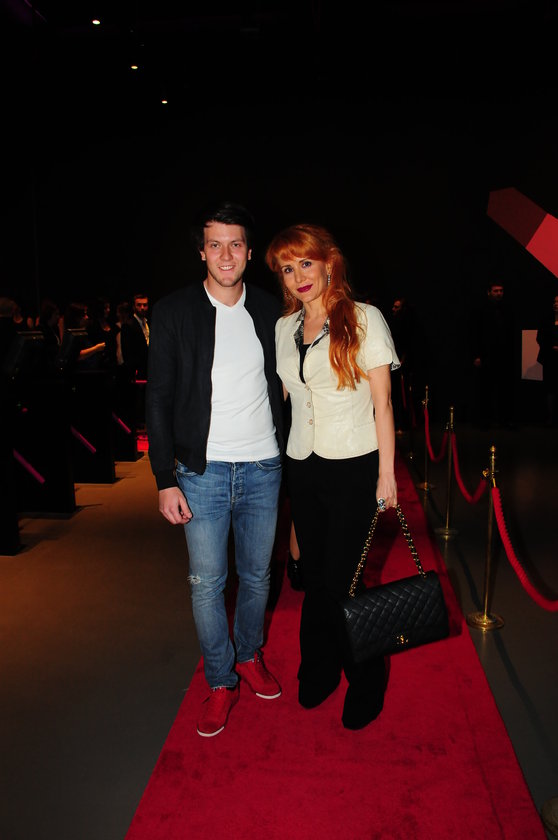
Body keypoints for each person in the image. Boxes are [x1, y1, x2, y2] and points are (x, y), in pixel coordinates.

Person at [146, 200, 285, 738]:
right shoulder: (173, 312)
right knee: (207, 583)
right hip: (200, 472)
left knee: (258, 576)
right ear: (202, 252)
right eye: (215, 244)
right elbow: (158, 400)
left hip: (264, 466)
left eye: (235, 244)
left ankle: (248, 655)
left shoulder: (272, 310)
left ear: (249, 252)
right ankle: (221, 680)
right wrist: (164, 480)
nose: (225, 255)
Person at [266, 223, 400, 731]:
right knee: (316, 578)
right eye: (287, 268)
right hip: (303, 463)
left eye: (306, 262)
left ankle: (366, 678)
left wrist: (386, 475)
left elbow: (383, 403)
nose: (298, 275)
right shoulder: (284, 328)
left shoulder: (364, 318)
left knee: (346, 580)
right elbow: (284, 399)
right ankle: (319, 669)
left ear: (328, 263)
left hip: (354, 465)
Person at [471, 280, 516, 428]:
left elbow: (511, 334)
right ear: (489, 292)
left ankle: (505, 419)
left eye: (501, 291)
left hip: (504, 356)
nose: (499, 293)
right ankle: (485, 420)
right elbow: (475, 334)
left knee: (505, 389)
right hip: (487, 356)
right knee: (486, 390)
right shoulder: (481, 310)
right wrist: (477, 355)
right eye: (496, 291)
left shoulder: (508, 310)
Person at [536, 293, 558, 426]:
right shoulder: (546, 320)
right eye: (554, 302)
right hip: (550, 359)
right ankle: (550, 418)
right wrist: (551, 347)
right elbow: (540, 338)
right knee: (550, 388)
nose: (555, 304)